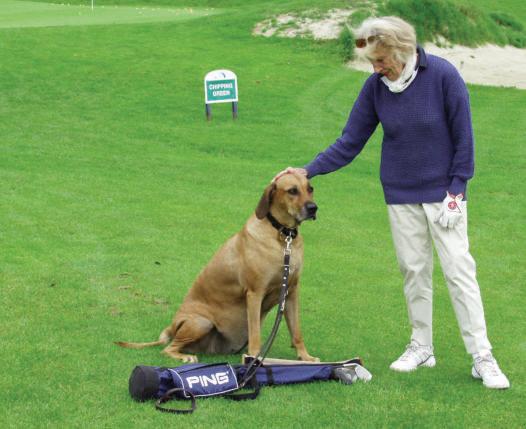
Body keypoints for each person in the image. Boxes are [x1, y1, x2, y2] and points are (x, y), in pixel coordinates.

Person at [275, 16, 509, 389]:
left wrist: (457, 189)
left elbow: (464, 137)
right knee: (414, 270)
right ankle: (422, 346)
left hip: (444, 196)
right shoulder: (376, 88)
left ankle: (482, 356)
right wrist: (307, 171)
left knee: (459, 272)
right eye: (372, 62)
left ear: (401, 49)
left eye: (381, 60)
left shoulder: (443, 76)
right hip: (400, 194)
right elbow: (350, 141)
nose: (376, 68)